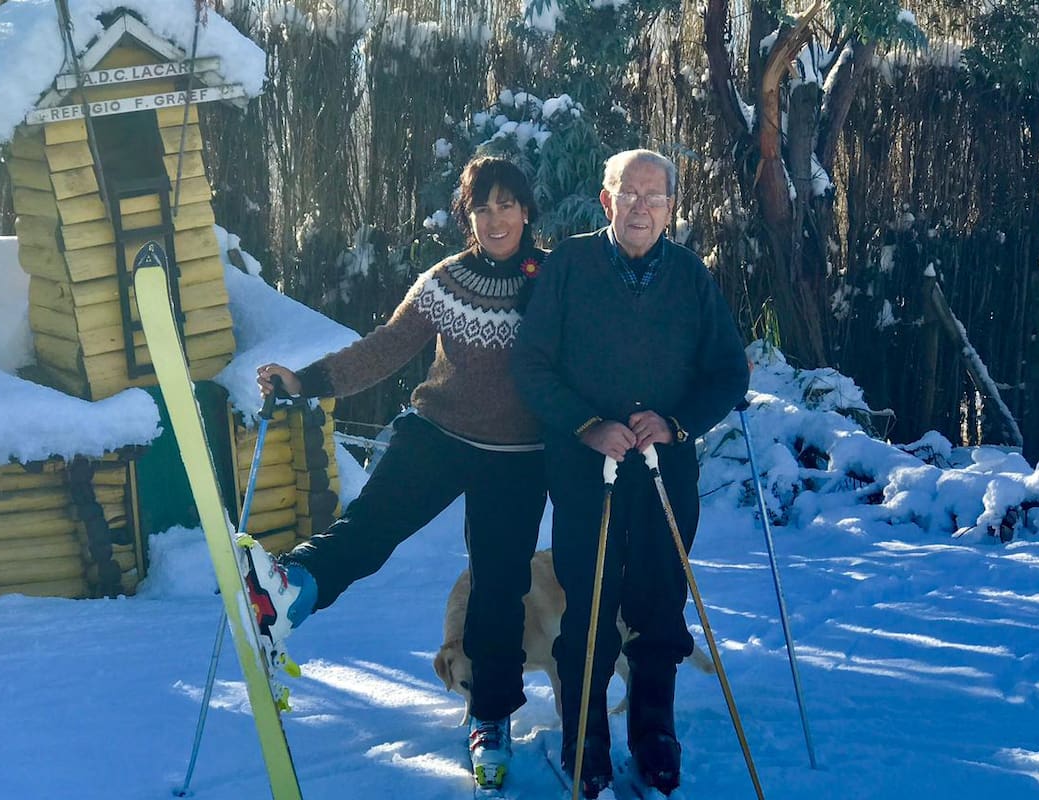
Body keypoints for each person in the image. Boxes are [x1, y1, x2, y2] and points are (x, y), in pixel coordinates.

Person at [248, 156, 548, 791]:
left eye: (505, 204)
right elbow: (385, 347)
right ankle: (294, 586)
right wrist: (308, 382)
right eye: (481, 206)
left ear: (526, 210)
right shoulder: (445, 281)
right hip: (438, 433)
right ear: (468, 216)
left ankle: (490, 719)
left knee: (499, 586)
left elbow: (596, 352)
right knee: (373, 524)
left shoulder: (554, 281)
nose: (494, 218)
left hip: (520, 458)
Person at [510, 149, 749, 798]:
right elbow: (531, 364)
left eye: (655, 196)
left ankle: (654, 734)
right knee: (586, 606)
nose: (641, 207)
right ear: (606, 199)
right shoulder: (569, 267)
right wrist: (588, 424)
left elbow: (729, 372)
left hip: (666, 474)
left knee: (658, 607)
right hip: (588, 469)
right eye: (629, 193)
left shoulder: (691, 277)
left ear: (671, 208)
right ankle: (583, 740)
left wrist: (677, 422)